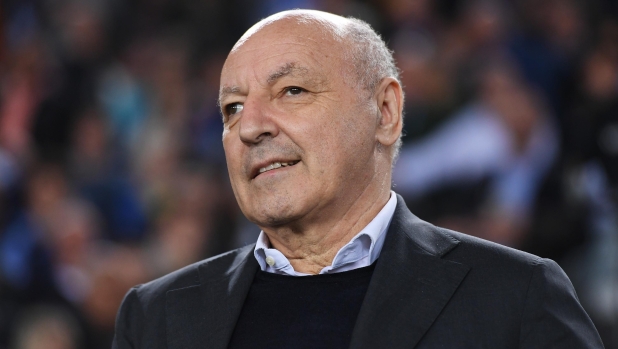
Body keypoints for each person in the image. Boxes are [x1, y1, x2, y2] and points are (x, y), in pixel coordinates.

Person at [112, 10, 603, 349]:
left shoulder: (514, 297)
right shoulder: (157, 317)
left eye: (292, 90)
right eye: (231, 108)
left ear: (385, 112)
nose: (250, 126)